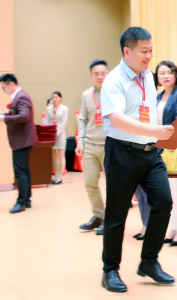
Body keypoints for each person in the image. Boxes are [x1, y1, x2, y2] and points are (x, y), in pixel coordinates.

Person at [100, 26, 175, 292]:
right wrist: (153, 130)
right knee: (117, 214)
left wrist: (159, 135)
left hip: (150, 152)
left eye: (151, 50)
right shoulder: (114, 80)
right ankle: (110, 270)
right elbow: (116, 118)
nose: (149, 56)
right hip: (122, 153)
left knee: (164, 203)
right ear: (127, 51)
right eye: (144, 51)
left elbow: (146, 111)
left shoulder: (147, 76)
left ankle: (149, 262)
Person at [0, 74, 38, 214]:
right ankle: (26, 200)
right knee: (24, 170)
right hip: (24, 139)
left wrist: (4, 118)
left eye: (3, 87)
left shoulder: (21, 97)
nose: (3, 90)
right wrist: (5, 114)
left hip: (22, 140)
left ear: (10, 84)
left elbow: (24, 116)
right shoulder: (19, 96)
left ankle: (21, 202)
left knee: (20, 171)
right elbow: (18, 114)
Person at [154, 60, 177, 246]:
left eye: (169, 72)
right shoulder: (158, 96)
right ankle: (174, 227)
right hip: (161, 148)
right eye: (162, 73)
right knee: (168, 192)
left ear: (176, 74)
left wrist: (167, 139)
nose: (166, 76)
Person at [76, 59, 109, 235]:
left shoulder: (114, 93)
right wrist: (80, 142)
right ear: (91, 75)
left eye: (103, 73)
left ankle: (110, 219)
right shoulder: (86, 95)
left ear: (108, 74)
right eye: (96, 74)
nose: (100, 76)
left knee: (112, 185)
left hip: (110, 146)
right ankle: (98, 215)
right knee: (90, 183)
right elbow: (82, 119)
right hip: (90, 145)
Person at [46, 91, 68, 185]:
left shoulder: (64, 108)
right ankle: (55, 176)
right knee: (54, 156)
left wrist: (57, 133)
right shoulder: (48, 109)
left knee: (61, 155)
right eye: (53, 97)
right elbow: (47, 121)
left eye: (56, 97)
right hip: (51, 134)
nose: (54, 99)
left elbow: (63, 122)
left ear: (60, 98)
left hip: (61, 134)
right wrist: (50, 133)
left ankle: (60, 176)